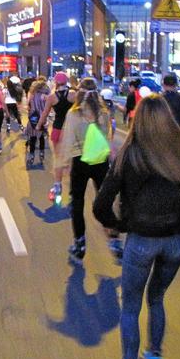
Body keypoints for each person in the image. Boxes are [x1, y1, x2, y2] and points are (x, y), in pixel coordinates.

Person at [94, 94, 180, 359]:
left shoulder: (128, 154)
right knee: (157, 299)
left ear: (137, 121)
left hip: (142, 240)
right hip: (175, 240)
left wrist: (118, 225)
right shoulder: (179, 153)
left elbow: (100, 204)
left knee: (131, 306)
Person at [59, 77, 112, 261]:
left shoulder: (74, 114)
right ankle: (113, 238)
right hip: (100, 160)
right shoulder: (103, 114)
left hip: (80, 160)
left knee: (78, 201)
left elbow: (68, 140)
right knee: (104, 199)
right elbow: (106, 137)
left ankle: (80, 243)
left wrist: (64, 162)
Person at [37, 72, 77, 202]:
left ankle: (57, 186)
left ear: (56, 82)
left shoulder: (52, 97)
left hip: (58, 129)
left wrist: (38, 126)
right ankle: (74, 189)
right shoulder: (73, 95)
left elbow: (45, 114)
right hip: (72, 130)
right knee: (73, 159)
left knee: (58, 159)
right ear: (66, 81)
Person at [25, 80, 49, 166]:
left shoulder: (32, 95)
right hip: (42, 118)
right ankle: (41, 153)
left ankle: (31, 155)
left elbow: (28, 106)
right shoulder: (45, 96)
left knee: (33, 138)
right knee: (41, 137)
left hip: (33, 118)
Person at [162, 73, 180, 141]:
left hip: (161, 133)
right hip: (177, 133)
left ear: (163, 85)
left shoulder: (159, 99)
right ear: (176, 85)